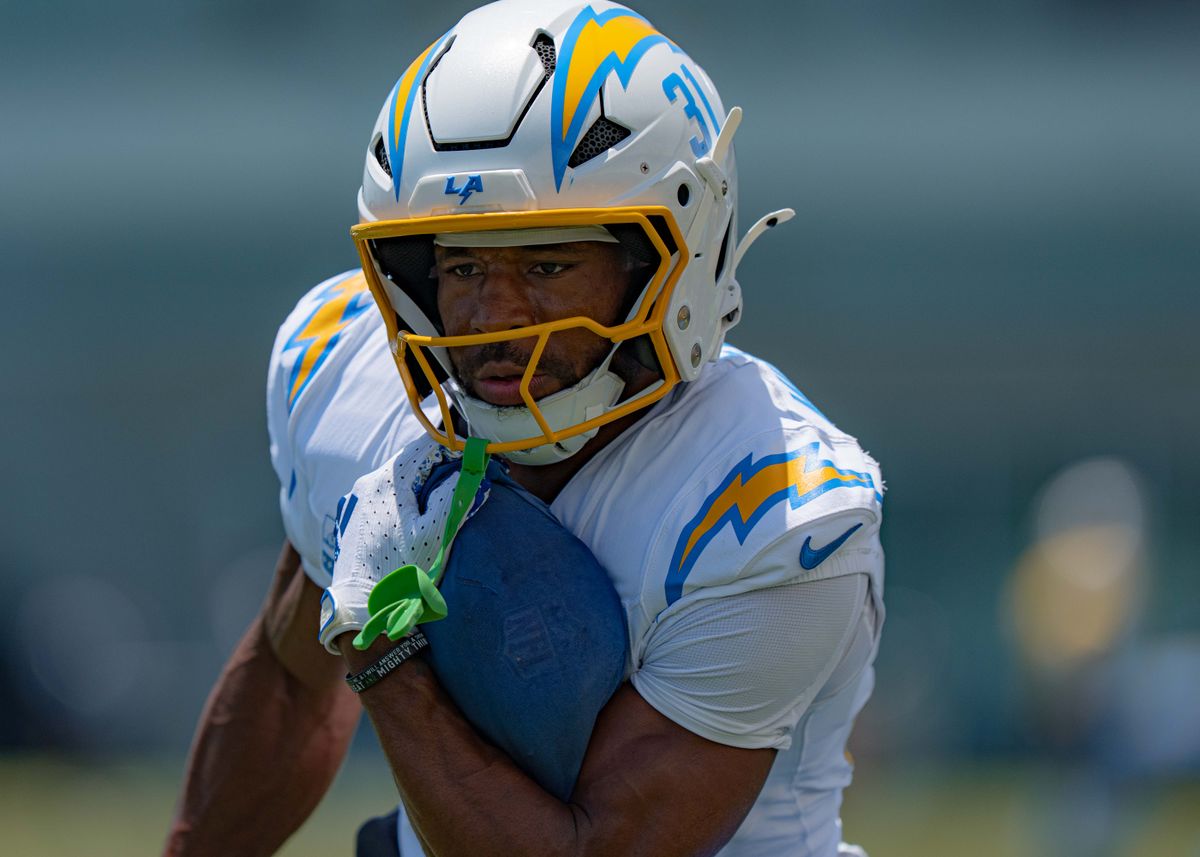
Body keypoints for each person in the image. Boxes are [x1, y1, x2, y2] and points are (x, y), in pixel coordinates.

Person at [165, 1, 885, 855]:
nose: (493, 316)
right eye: (462, 264)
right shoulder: (350, 374)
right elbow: (289, 684)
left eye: (546, 263)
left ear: (675, 256)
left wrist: (382, 650)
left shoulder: (776, 504)